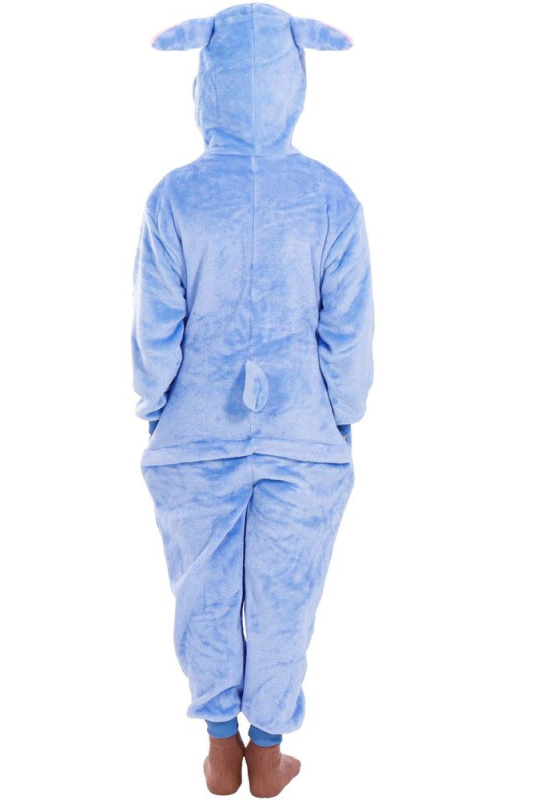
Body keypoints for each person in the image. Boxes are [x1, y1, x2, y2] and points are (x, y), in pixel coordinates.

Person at [132, 4, 375, 795]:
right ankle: (267, 751)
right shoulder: (331, 198)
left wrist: (156, 406)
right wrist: (343, 412)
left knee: (201, 587)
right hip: (304, 431)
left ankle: (218, 746)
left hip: (194, 430)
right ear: (294, 78)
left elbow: (155, 327)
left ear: (208, 80)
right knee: (286, 589)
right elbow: (347, 329)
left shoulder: (175, 197)